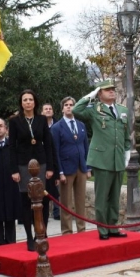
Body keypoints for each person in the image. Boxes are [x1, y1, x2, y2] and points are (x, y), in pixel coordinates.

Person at [73, 80, 130, 240]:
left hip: (117, 159)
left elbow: (127, 135)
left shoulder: (123, 110)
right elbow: (76, 110)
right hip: (102, 159)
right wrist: (88, 97)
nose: (112, 91)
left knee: (114, 197)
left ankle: (113, 227)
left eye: (113, 89)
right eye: (107, 90)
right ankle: (103, 230)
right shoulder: (94, 110)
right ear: (100, 93)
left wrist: (127, 152)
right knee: (102, 197)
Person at [8, 90, 57, 250]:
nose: (28, 102)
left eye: (30, 99)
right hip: (23, 165)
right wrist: (14, 170)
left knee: (43, 200)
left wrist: (50, 167)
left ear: (35, 102)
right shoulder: (15, 121)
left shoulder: (42, 119)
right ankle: (29, 236)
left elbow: (48, 144)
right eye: (25, 100)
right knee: (26, 201)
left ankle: (41, 234)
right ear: (21, 103)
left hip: (41, 163)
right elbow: (12, 147)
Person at [51, 96, 91, 234]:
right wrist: (59, 172)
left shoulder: (81, 125)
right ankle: (67, 231)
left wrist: (88, 168)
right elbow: (55, 151)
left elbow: (86, 147)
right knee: (66, 203)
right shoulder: (57, 128)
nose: (69, 107)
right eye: (66, 105)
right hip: (66, 170)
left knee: (80, 201)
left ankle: (82, 229)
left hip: (80, 167)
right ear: (62, 108)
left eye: (72, 105)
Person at [41, 102, 62, 222]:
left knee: (55, 186)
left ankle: (56, 212)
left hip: (55, 159)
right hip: (42, 161)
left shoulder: (58, 125)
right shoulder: (39, 126)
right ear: (42, 112)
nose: (48, 110)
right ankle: (44, 212)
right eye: (46, 109)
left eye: (50, 108)